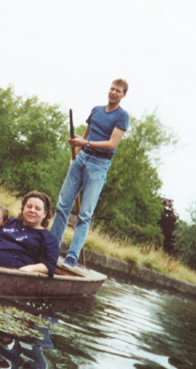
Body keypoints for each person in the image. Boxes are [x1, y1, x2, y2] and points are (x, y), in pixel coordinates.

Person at [50, 79, 130, 267]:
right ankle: (51, 249)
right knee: (62, 206)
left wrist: (84, 143)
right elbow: (86, 136)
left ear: (123, 95)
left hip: (99, 165)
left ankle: (71, 258)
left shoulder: (122, 116)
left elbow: (111, 144)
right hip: (81, 159)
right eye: (112, 89)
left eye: (118, 91)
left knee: (84, 214)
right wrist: (76, 153)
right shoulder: (96, 110)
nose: (113, 93)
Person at [0, 191, 59, 277]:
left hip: (10, 275)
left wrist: (29, 269)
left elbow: (49, 265)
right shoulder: (8, 222)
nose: (32, 210)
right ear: (23, 208)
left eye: (37, 209)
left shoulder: (49, 239)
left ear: (45, 214)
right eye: (29, 206)